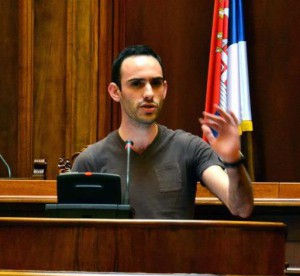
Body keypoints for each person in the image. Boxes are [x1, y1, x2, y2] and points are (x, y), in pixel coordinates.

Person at [72, 45, 253, 219]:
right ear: (115, 92)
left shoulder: (189, 148)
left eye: (156, 83)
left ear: (164, 89)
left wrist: (232, 160)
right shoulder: (91, 161)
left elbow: (241, 207)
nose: (149, 93)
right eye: (137, 84)